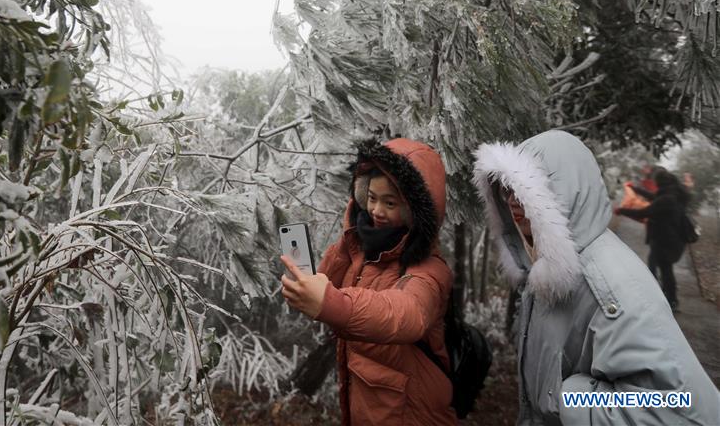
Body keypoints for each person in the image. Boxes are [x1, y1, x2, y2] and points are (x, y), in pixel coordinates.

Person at [473, 130, 719, 425]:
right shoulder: (544, 268)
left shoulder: (611, 287)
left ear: (566, 192)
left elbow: (677, 407)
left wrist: (570, 397)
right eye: (507, 189)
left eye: (528, 188)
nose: (512, 201)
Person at [280, 137, 456, 425]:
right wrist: (349, 239)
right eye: (371, 198)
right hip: (370, 406)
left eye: (390, 202)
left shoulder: (430, 269)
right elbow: (329, 282)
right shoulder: (365, 248)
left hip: (412, 413)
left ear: (415, 211)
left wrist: (331, 303)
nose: (376, 211)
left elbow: (406, 314)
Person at [615, 169, 688, 311]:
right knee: (658, 266)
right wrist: (634, 188)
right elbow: (653, 197)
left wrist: (621, 210)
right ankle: (663, 297)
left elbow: (644, 212)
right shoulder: (671, 194)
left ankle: (670, 300)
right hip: (670, 239)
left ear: (659, 182)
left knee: (664, 270)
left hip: (666, 240)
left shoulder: (667, 199)